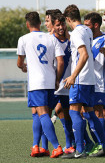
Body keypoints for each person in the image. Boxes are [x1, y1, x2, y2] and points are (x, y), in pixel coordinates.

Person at [61, 4, 105, 158]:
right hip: (90, 80)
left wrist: (73, 76)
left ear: (68, 19)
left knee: (73, 112)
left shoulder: (77, 32)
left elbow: (84, 55)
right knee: (90, 113)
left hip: (81, 80)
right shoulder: (87, 30)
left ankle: (79, 150)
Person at [17, 11, 64, 158]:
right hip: (50, 81)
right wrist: (57, 79)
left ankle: (56, 147)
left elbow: (19, 63)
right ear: (39, 23)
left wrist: (23, 67)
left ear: (27, 24)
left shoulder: (23, 39)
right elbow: (60, 61)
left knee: (42, 114)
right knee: (39, 114)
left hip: (36, 83)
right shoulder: (51, 38)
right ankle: (36, 146)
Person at [84, 12, 105, 155]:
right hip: (86, 82)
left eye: (87, 25)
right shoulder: (86, 39)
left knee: (101, 112)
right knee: (84, 113)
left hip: (100, 83)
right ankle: (98, 144)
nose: (85, 28)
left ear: (95, 25)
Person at [50, 13, 76, 154]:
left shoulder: (71, 38)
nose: (61, 27)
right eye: (57, 25)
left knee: (68, 114)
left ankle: (70, 144)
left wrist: (68, 37)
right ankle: (44, 146)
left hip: (67, 85)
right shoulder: (50, 40)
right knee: (47, 114)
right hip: (53, 85)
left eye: (62, 24)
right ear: (53, 27)